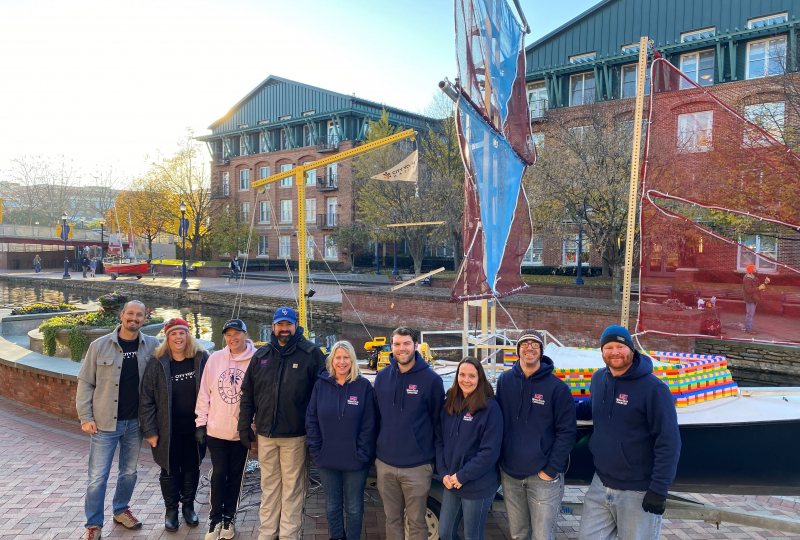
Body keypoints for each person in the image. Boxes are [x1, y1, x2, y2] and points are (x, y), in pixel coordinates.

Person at [576, 325, 681, 540]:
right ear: (602, 351)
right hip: (601, 483)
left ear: (632, 350)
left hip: (637, 490)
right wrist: (554, 406)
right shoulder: (598, 379)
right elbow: (590, 407)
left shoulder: (654, 389)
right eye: (609, 347)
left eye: (620, 346)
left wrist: (659, 489)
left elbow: (668, 441)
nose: (615, 352)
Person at [238, 307, 325, 540]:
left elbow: (321, 398)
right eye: (280, 324)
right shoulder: (261, 355)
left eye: (288, 324)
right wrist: (244, 426)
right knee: (269, 489)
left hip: (296, 437)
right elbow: (248, 393)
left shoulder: (311, 354)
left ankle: (288, 535)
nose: (284, 329)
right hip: (266, 434)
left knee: (293, 491)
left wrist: (316, 435)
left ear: (296, 325)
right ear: (273, 326)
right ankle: (267, 533)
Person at [75, 300, 160, 540]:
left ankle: (121, 510)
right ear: (122, 315)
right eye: (130, 314)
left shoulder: (153, 345)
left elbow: (180, 350)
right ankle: (93, 523)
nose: (134, 319)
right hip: (103, 424)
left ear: (145, 317)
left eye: (139, 315)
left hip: (136, 424)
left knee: (129, 473)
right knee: (97, 477)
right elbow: (85, 383)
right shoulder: (99, 346)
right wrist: (85, 417)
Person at [495, 330, 576, 540]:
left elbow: (567, 432)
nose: (529, 348)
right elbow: (497, 423)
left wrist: (550, 470)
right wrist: (501, 461)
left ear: (540, 351)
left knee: (542, 536)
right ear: (518, 350)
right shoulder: (504, 381)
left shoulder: (557, 388)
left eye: (535, 344)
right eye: (524, 344)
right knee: (518, 535)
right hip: (511, 474)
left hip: (543, 478)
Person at [373, 327, 445, 540]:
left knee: (416, 522)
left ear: (415, 346)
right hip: (385, 463)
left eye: (406, 344)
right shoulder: (382, 377)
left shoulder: (431, 380)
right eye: (397, 344)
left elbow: (437, 422)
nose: (401, 348)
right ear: (391, 347)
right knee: (392, 520)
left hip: (417, 465)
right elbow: (377, 417)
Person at [139, 318, 209, 531]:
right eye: (173, 334)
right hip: (167, 430)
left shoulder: (200, 358)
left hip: (195, 428)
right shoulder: (158, 363)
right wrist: (150, 431)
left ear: (188, 335)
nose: (178, 337)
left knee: (191, 467)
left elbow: (212, 390)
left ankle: (188, 507)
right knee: (169, 470)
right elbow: (146, 399)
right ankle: (171, 510)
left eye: (182, 333)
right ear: (167, 337)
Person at [306, 341, 376, 540]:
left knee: (354, 507)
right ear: (332, 360)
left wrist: (362, 453)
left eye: (346, 357)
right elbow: (311, 419)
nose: (342, 362)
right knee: (332, 505)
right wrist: (317, 450)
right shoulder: (321, 385)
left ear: (352, 360)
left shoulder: (363, 387)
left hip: (355, 459)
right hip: (327, 458)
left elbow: (369, 423)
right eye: (338, 357)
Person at [196, 319, 256, 540]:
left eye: (237, 333)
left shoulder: (257, 359)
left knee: (236, 477)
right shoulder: (215, 359)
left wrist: (253, 425)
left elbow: (260, 395)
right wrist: (200, 424)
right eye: (229, 334)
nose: (233, 338)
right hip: (216, 430)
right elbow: (204, 393)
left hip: (241, 431)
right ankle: (215, 519)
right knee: (219, 474)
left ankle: (229, 518)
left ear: (245, 334)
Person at [434, 357, 502, 540]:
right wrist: (443, 473)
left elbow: (490, 452)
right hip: (452, 480)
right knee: (445, 532)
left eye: (472, 376)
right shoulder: (449, 403)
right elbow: (439, 441)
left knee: (473, 535)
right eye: (462, 375)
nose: (466, 380)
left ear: (480, 378)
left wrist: (462, 476)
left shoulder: (490, 409)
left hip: (477, 483)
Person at [743, 264, 769, 335]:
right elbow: (748, 290)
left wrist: (765, 283)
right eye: (754, 268)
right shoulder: (748, 279)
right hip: (750, 299)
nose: (756, 269)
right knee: (750, 314)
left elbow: (759, 287)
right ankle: (748, 329)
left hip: (754, 298)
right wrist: (759, 288)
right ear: (751, 271)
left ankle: (749, 328)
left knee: (750, 314)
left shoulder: (754, 278)